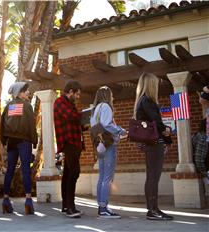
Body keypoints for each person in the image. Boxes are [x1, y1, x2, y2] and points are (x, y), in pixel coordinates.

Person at [133, 72, 173, 220]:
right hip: (154, 143)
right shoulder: (148, 101)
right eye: (155, 83)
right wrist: (167, 133)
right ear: (150, 85)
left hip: (150, 143)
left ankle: (153, 209)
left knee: (152, 177)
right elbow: (156, 122)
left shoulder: (142, 101)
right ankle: (152, 211)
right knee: (153, 177)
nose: (157, 86)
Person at [0, 82, 38, 215]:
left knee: (10, 170)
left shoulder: (8, 106)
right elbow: (31, 125)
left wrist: (4, 140)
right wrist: (34, 141)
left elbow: (2, 125)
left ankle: (5, 200)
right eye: (25, 90)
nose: (28, 92)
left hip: (11, 142)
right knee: (26, 170)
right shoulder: (27, 106)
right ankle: (28, 201)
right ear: (19, 93)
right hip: (24, 141)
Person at [90, 86, 126, 219]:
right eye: (111, 95)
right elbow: (107, 124)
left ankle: (101, 206)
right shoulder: (105, 106)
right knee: (107, 178)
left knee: (102, 177)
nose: (113, 98)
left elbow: (97, 126)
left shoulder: (95, 109)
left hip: (100, 145)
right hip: (108, 144)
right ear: (107, 95)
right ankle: (104, 208)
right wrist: (120, 130)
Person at [53, 80, 84, 218]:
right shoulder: (60, 102)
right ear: (70, 91)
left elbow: (72, 121)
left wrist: (84, 125)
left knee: (67, 173)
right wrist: (84, 116)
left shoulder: (70, 103)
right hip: (68, 142)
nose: (78, 97)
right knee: (74, 172)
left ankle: (66, 206)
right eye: (76, 94)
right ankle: (71, 207)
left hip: (75, 142)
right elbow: (71, 117)